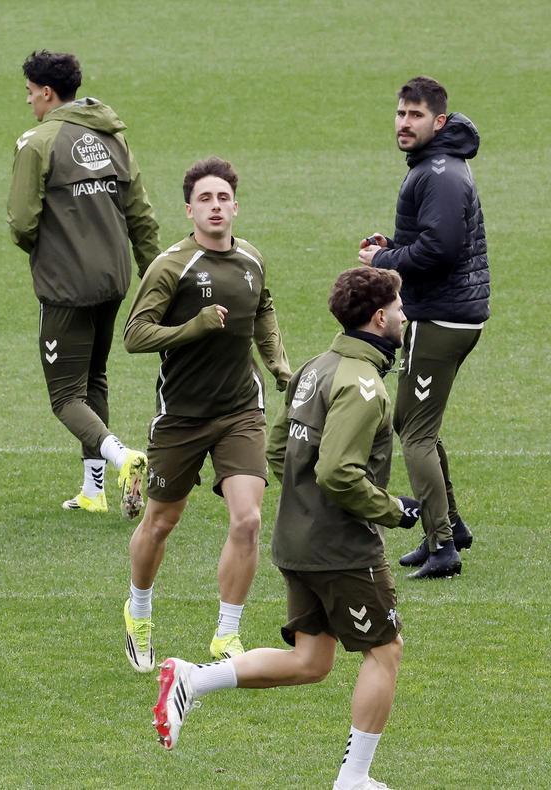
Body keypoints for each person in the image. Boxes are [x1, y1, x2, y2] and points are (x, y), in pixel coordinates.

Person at [153, 267, 421, 790]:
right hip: (341, 547)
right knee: (384, 651)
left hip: (295, 539)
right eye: (400, 306)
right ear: (379, 316)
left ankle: (192, 678)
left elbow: (278, 449)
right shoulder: (363, 385)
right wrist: (392, 509)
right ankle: (354, 778)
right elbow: (338, 471)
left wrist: (302, 502)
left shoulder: (316, 368)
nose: (405, 314)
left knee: (311, 660)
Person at [121, 157, 292, 670]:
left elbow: (263, 311)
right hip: (182, 416)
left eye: (223, 199)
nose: (215, 207)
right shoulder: (172, 266)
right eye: (205, 199)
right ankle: (140, 610)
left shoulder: (252, 261)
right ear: (189, 209)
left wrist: (281, 369)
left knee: (248, 519)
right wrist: (193, 327)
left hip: (241, 408)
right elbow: (134, 336)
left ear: (235, 206)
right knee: (161, 521)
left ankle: (227, 633)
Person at [7, 49, 158, 519]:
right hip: (114, 281)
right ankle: (93, 490)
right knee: (95, 378)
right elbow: (141, 214)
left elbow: (21, 221)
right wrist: (158, 278)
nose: (30, 103)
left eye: (31, 95)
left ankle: (121, 457)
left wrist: (48, 247)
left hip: (67, 287)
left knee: (65, 396)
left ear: (48, 93)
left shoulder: (37, 141)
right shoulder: (111, 136)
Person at [358, 75, 487, 580]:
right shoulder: (437, 167)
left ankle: (441, 547)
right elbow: (433, 238)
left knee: (414, 432)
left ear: (439, 121)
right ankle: (450, 525)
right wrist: (392, 244)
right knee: (412, 420)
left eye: (415, 116)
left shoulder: (440, 172)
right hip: (444, 311)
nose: (404, 124)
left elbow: (442, 250)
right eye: (400, 113)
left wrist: (383, 258)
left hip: (443, 317)